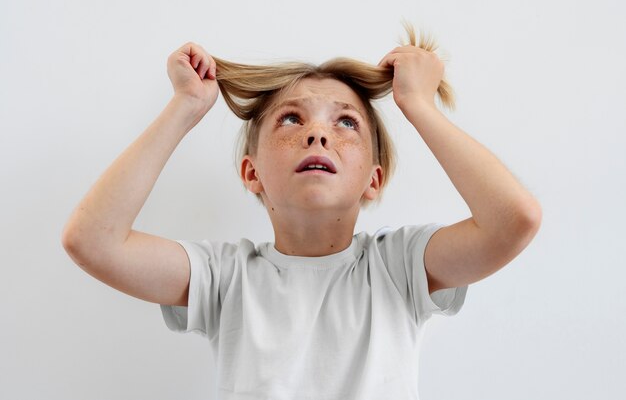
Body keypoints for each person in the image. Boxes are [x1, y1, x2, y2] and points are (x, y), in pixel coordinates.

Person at [61, 23, 542, 399]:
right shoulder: (225, 278)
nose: (317, 135)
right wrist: (185, 105)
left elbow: (514, 220)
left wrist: (417, 104)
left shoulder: (399, 268)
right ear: (253, 173)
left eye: (346, 123)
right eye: (292, 118)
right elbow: (91, 241)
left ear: (372, 180)